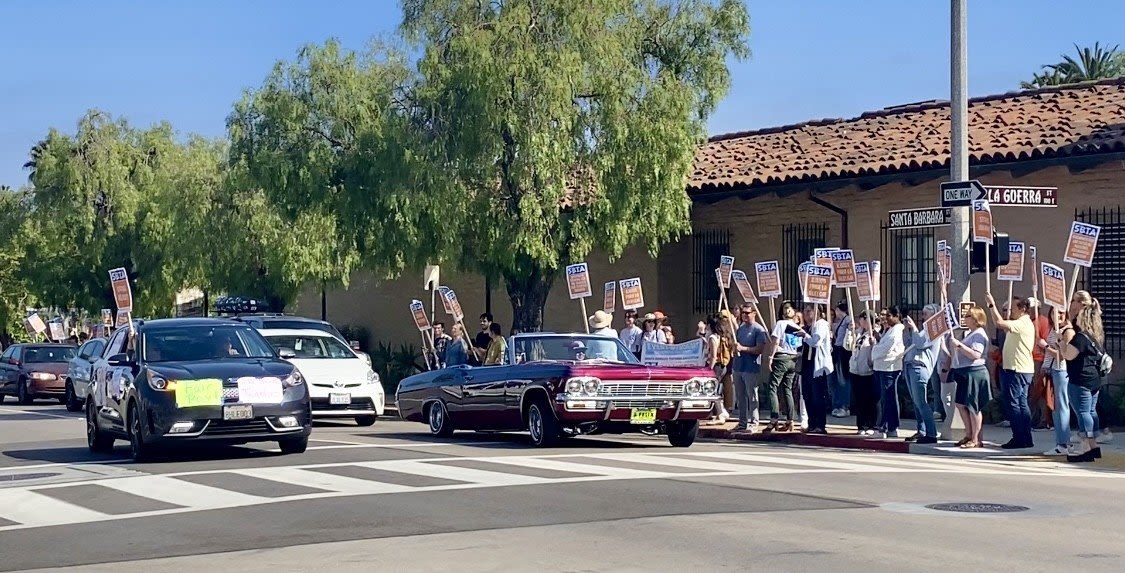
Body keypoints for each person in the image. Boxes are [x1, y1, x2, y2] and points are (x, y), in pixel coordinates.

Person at [985, 293, 1035, 450]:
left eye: (1012, 309)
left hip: (1017, 369)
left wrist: (992, 304)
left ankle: (1019, 437)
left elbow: (999, 322)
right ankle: (1025, 437)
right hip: (1019, 368)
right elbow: (999, 322)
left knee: (1014, 404)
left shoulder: (1022, 323)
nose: (1010, 312)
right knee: (1020, 403)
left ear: (1022, 309)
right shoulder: (1020, 323)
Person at [1061, 290, 1106, 462]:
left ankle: (1086, 445)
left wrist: (1060, 342)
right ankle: (1093, 445)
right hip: (1093, 379)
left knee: (1083, 412)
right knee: (1090, 411)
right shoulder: (1095, 335)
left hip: (1080, 378)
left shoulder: (1080, 337)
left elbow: (1068, 355)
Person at [948, 306, 991, 448]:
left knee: (974, 406)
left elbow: (975, 354)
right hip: (965, 372)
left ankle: (975, 438)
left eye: (968, 316)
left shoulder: (979, 334)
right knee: (960, 404)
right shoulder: (971, 333)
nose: (965, 318)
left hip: (975, 372)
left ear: (975, 319)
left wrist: (959, 346)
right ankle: (968, 434)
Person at [901, 304, 942, 444]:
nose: (923, 316)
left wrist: (913, 327)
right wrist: (908, 329)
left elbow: (919, 343)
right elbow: (908, 343)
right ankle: (922, 430)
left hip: (920, 367)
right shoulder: (923, 330)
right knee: (916, 402)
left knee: (921, 402)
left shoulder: (933, 330)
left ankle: (931, 433)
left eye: (926, 313)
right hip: (910, 365)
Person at [765, 301, 804, 432]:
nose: (787, 311)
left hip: (782, 357)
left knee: (772, 387)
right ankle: (790, 419)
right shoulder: (797, 327)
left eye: (789, 308)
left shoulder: (781, 324)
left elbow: (775, 341)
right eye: (785, 308)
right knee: (787, 389)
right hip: (792, 359)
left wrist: (771, 357)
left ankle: (774, 419)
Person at [1040, 305, 1072, 456]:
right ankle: (1061, 441)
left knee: (1061, 406)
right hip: (1052, 370)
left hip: (1061, 370)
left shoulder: (1066, 331)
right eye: (1055, 312)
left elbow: (1062, 355)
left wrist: (1045, 346)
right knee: (1055, 406)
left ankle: (1064, 443)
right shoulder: (1053, 329)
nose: (1058, 315)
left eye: (1061, 313)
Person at [732, 304, 769, 432]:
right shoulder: (740, 329)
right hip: (738, 366)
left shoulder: (758, 330)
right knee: (740, 396)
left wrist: (744, 349)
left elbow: (760, 349)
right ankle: (742, 422)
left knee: (752, 395)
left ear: (754, 314)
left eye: (747, 313)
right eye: (743, 313)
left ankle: (754, 421)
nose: (744, 315)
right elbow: (736, 345)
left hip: (751, 367)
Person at [871, 305, 905, 438]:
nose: (886, 318)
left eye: (889, 315)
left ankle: (886, 427)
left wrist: (875, 351)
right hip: (882, 367)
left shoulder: (897, 330)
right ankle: (890, 426)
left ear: (897, 316)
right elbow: (882, 344)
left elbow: (886, 348)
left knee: (889, 398)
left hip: (889, 367)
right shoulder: (889, 330)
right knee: (886, 398)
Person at [800, 304, 833, 434]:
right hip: (807, 364)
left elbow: (816, 342)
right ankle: (812, 423)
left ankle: (820, 424)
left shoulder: (821, 324)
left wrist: (804, 335)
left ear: (817, 312)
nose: (806, 314)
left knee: (817, 395)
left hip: (817, 365)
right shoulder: (808, 327)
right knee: (807, 394)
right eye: (805, 311)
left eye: (809, 311)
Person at [849, 310, 879, 435]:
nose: (860, 321)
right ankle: (861, 425)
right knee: (859, 399)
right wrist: (849, 332)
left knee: (869, 400)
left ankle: (871, 424)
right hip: (856, 370)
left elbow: (876, 350)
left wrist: (874, 344)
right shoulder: (858, 333)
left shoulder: (875, 334)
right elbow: (848, 346)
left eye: (862, 319)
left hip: (867, 371)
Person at [830, 301, 854, 418]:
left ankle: (845, 406)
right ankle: (838, 405)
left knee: (843, 379)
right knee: (837, 379)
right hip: (838, 350)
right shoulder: (840, 322)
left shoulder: (848, 319)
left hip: (844, 351)